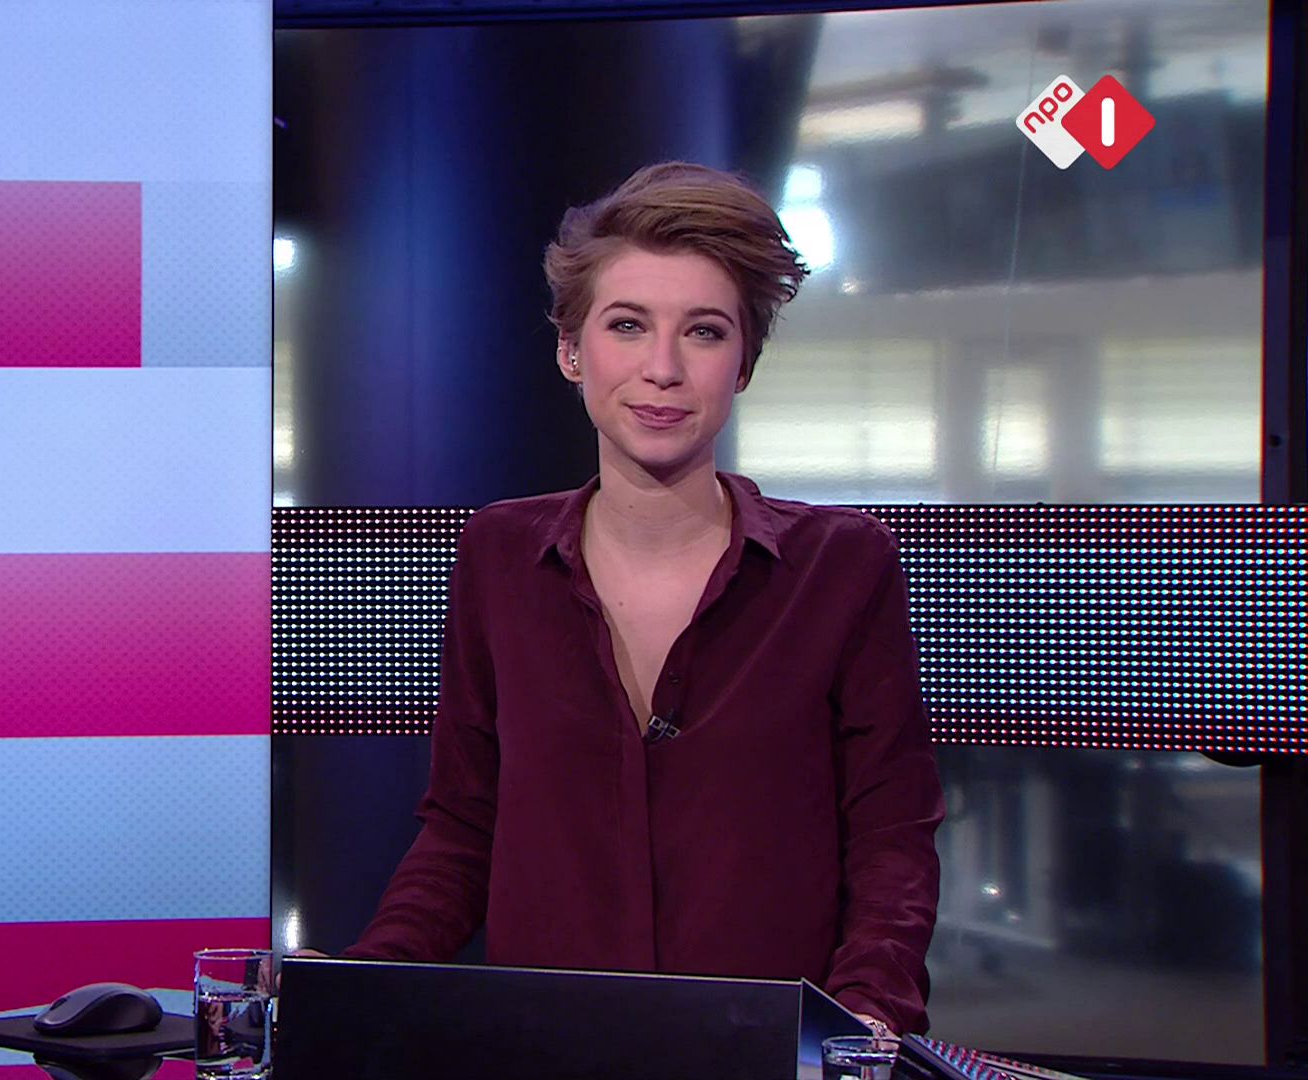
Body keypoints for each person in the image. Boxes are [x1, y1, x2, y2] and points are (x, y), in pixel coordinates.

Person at [324, 162, 945, 1035]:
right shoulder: (499, 555)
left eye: (704, 332)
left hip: (768, 1056)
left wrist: (862, 1025)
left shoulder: (841, 565)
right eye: (627, 325)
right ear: (571, 351)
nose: (662, 369)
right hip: (548, 1048)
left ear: (744, 365)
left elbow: (890, 839)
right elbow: (466, 825)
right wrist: (366, 981)